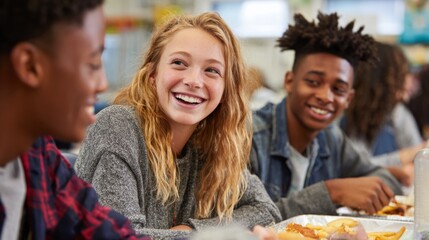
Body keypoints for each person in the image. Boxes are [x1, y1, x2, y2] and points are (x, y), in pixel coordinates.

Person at [75, 12, 281, 239]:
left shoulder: (212, 144)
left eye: (211, 70)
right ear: (152, 74)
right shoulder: (118, 127)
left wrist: (192, 229)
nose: (193, 81)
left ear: (225, 90)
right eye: (179, 63)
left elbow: (266, 210)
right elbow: (120, 237)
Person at [0, 0, 150, 239]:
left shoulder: (36, 154)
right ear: (29, 66)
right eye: (92, 65)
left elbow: (97, 226)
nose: (102, 83)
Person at [249, 12, 403, 220]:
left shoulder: (331, 138)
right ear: (289, 81)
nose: (325, 96)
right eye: (313, 82)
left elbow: (382, 178)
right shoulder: (249, 137)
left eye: (338, 89)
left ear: (348, 98)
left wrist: (372, 186)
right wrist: (332, 192)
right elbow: (236, 222)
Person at [341, 42, 425, 187]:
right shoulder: (348, 118)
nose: (407, 81)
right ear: (382, 78)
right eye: (401, 74)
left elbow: (419, 158)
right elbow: (356, 168)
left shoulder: (398, 113)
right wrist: (404, 156)